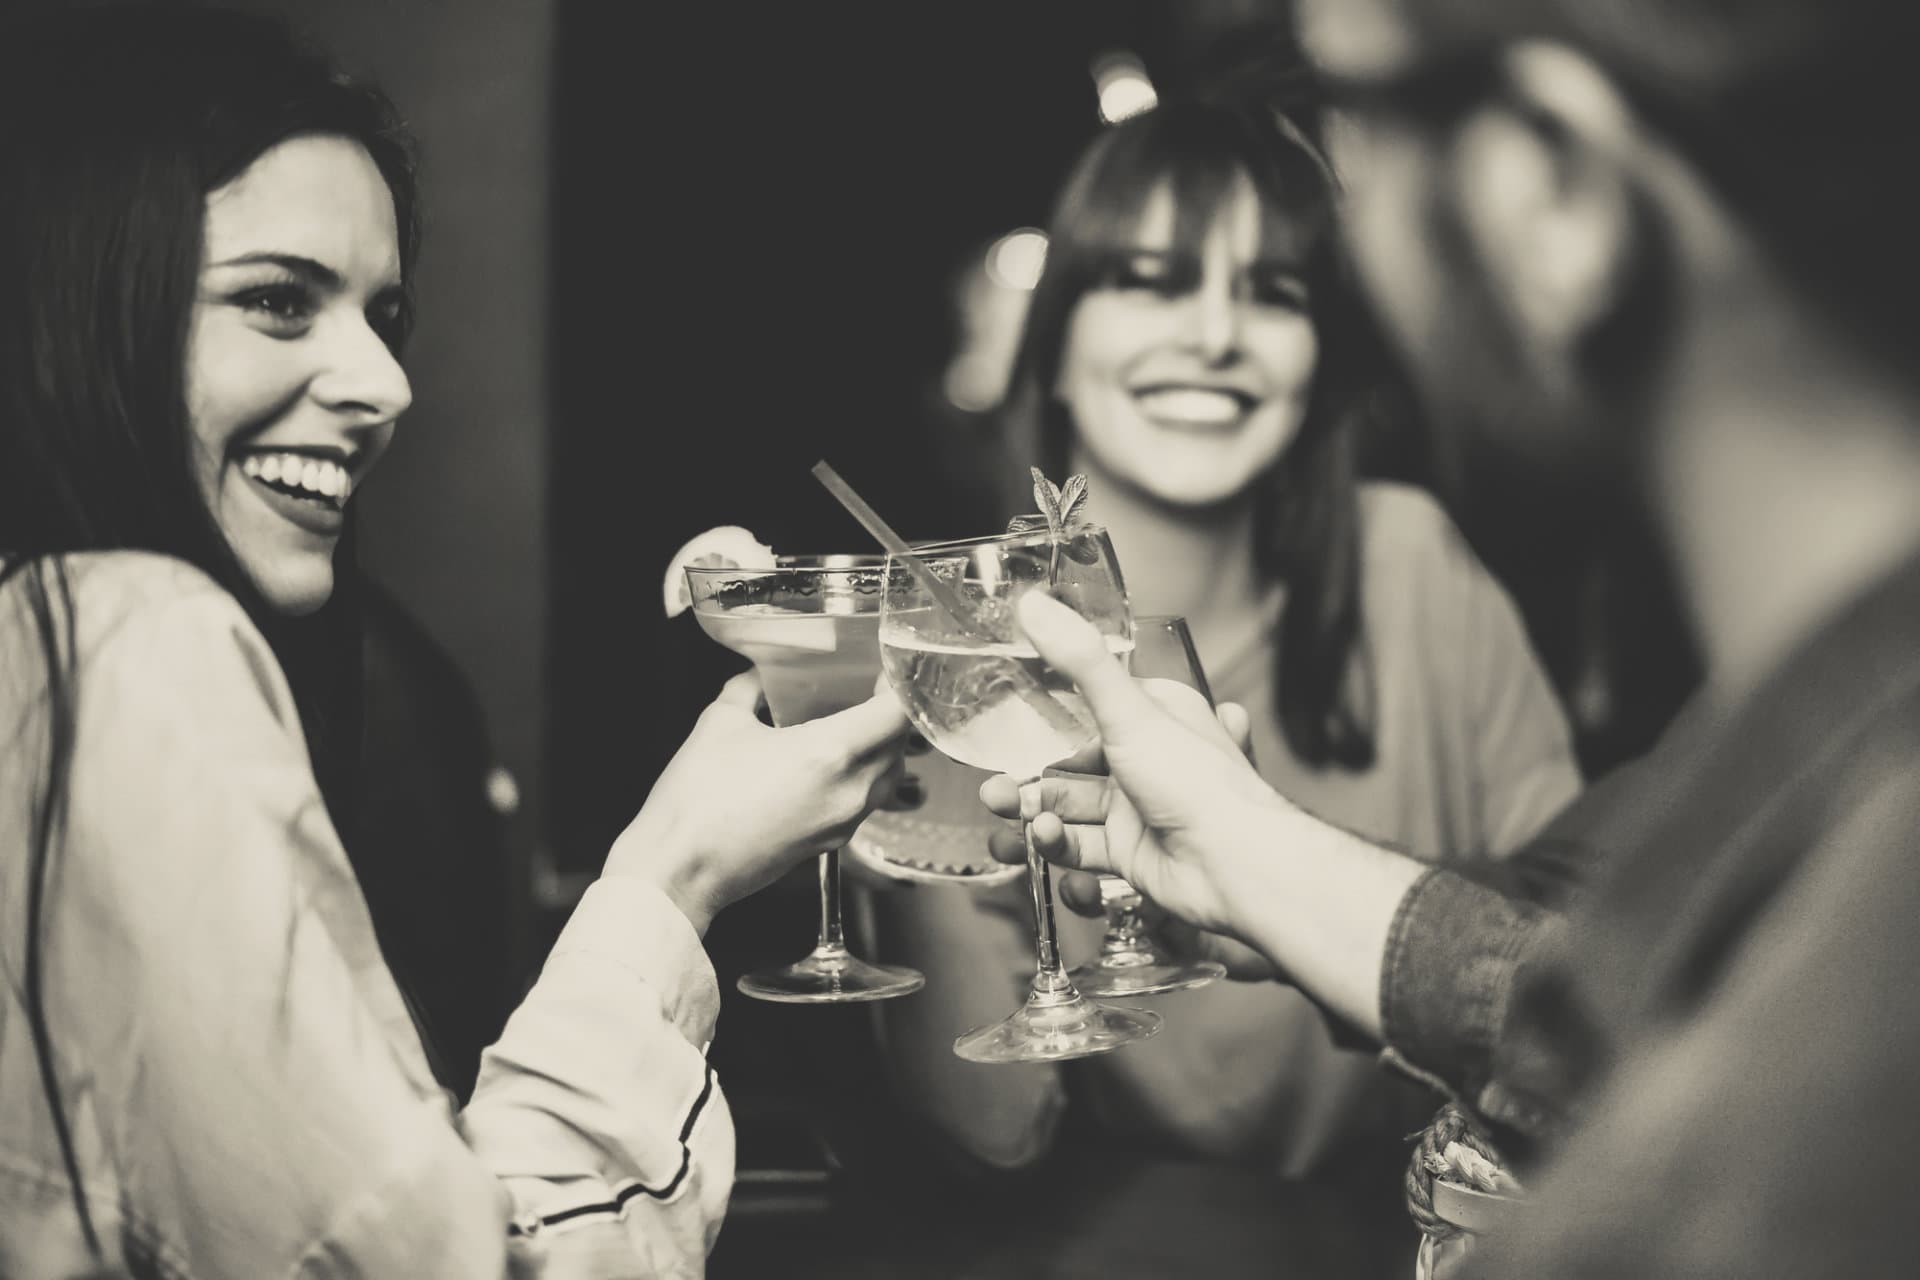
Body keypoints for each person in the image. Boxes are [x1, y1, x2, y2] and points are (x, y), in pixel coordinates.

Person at [988, 0, 1920, 1272]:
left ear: (1556, 177)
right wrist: (1252, 851)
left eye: (1354, 131)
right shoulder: (1803, 778)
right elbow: (1577, 963)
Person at [0, 7, 908, 1277]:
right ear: (80, 303)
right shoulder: (124, 641)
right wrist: (673, 871)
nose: (384, 383)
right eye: (276, 300)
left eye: (384, 315)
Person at [875, 97, 1581, 1180]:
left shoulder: (1413, 559)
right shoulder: (967, 646)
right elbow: (991, 1126)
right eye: (1151, 281)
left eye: (1272, 292)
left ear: (1316, 363)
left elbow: (1576, 962)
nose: (1213, 335)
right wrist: (883, 815)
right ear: (1056, 345)